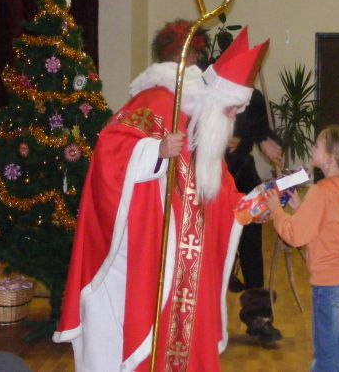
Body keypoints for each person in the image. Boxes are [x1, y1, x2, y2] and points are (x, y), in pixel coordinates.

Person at [53, 20, 270, 372]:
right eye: (232, 109)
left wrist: (247, 208)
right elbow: (110, 151)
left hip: (190, 260)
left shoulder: (198, 117)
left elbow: (216, 189)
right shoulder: (154, 101)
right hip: (154, 253)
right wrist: (155, 151)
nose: (233, 118)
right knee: (153, 332)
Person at [264, 125, 339, 372]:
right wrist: (301, 209)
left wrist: (277, 211)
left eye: (317, 145)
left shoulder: (320, 192)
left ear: (330, 158)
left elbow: (295, 235)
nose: (312, 148)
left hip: (329, 285)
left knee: (325, 356)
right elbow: (332, 228)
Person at [225, 88, 284, 344]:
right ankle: (202, 323)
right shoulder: (201, 86)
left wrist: (266, 140)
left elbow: (261, 133)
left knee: (251, 249)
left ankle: (259, 317)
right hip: (208, 179)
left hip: (242, 177)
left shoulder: (255, 98)